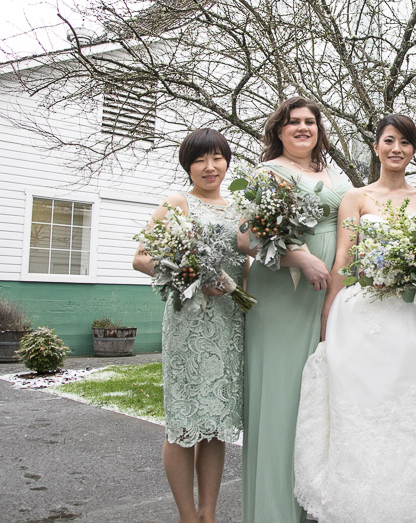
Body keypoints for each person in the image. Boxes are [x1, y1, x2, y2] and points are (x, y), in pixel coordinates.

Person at [293, 113, 416, 523]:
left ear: (413, 150)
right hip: (368, 316)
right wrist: (328, 318)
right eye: (390, 141)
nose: (397, 149)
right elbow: (344, 260)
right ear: (376, 145)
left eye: (406, 143)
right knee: (368, 411)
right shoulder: (355, 199)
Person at [238, 97, 351, 523]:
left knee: (316, 401)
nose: (303, 128)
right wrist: (297, 256)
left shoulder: (330, 175)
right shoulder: (268, 173)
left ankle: (312, 508)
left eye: (310, 121)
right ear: (279, 131)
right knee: (283, 398)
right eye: (293, 122)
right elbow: (246, 238)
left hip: (327, 294)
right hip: (282, 297)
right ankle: (274, 511)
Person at [132, 128, 245, 523]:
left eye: (217, 158)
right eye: (200, 160)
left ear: (227, 162)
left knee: (214, 423)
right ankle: (186, 515)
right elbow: (142, 257)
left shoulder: (237, 209)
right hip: (188, 324)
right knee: (183, 421)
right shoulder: (177, 202)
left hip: (229, 324)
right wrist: (188, 272)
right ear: (188, 166)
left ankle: (208, 513)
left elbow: (244, 266)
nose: (210, 167)